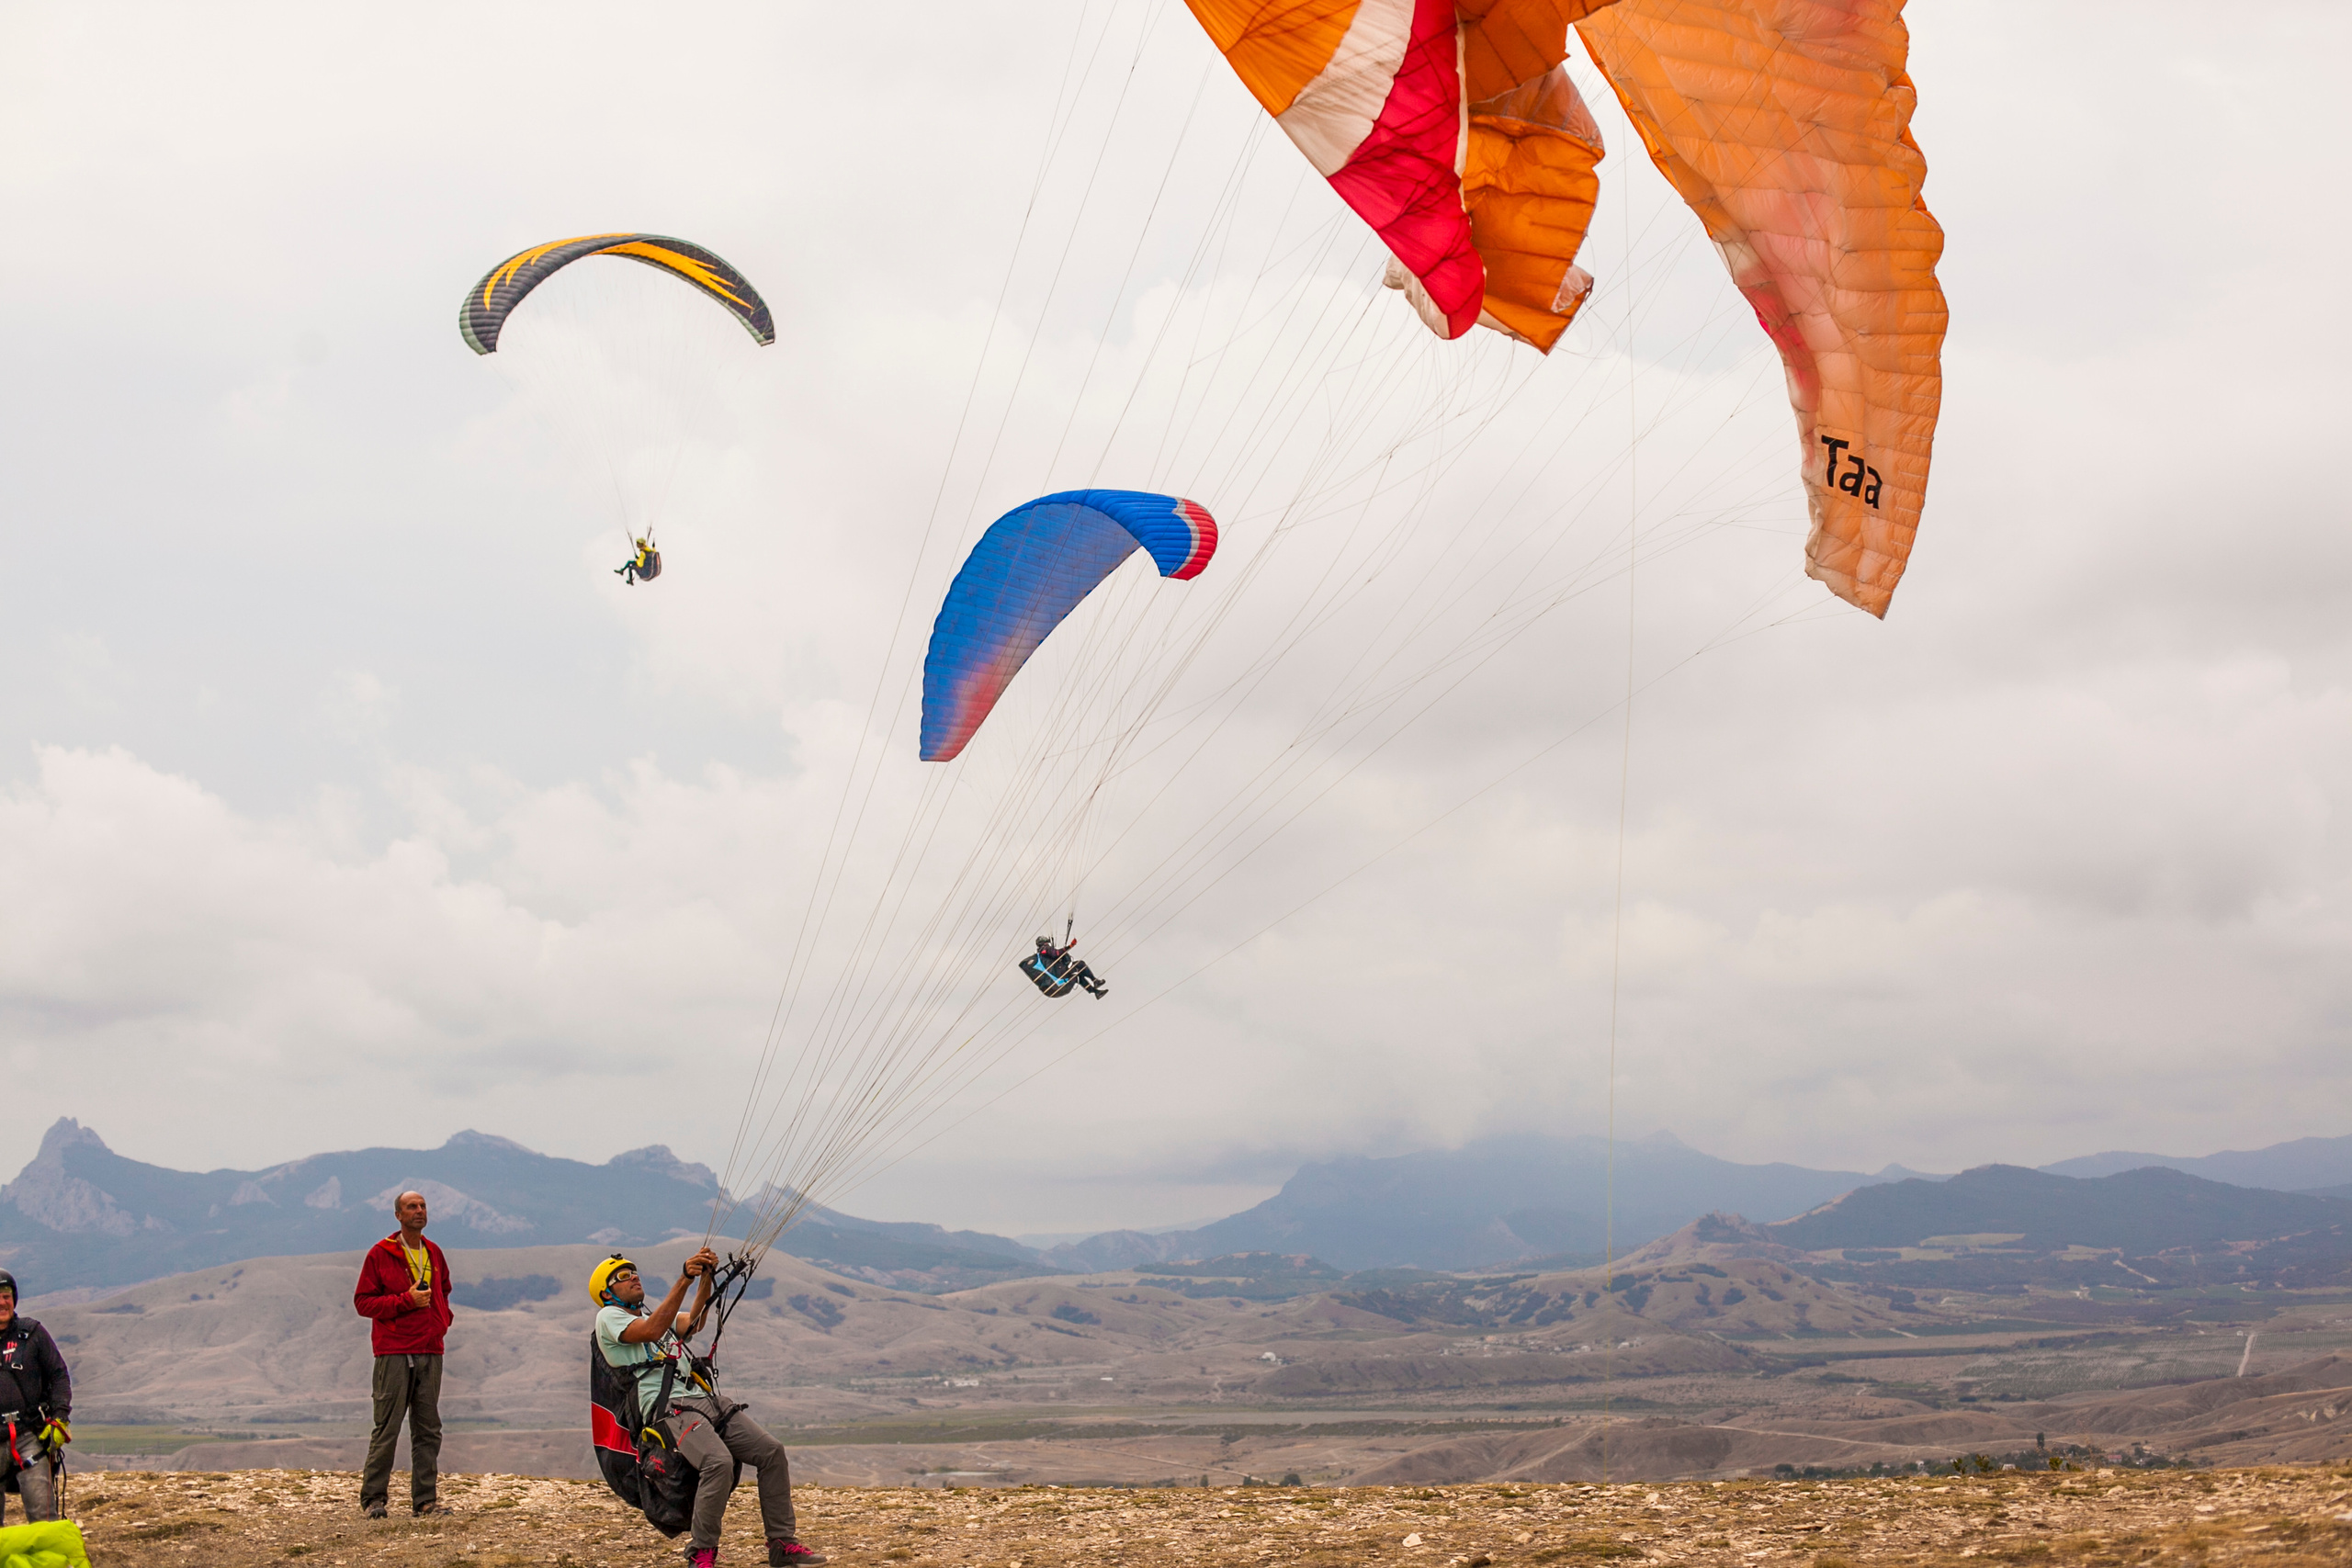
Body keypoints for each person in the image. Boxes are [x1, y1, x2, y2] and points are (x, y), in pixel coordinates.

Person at [592, 1250, 825, 1567]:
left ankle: (782, 1544)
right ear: (606, 1293)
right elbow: (651, 1332)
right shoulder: (608, 1317)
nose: (633, 1276)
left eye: (634, 1272)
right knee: (718, 1462)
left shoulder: (655, 1316)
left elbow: (695, 1321)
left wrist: (705, 1277)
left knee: (771, 1452)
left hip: (704, 1400)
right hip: (669, 1408)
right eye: (621, 1276)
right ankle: (701, 1552)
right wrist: (684, 1278)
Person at [353, 1190, 453, 1519]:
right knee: (388, 1426)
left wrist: (442, 1321)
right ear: (398, 1215)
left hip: (429, 1349)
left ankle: (425, 1501)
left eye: (423, 1206)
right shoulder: (380, 1254)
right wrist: (404, 1302)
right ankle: (374, 1500)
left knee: (428, 1428)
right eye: (412, 1207)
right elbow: (363, 1303)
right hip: (394, 1351)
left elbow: (445, 1291)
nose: (419, 1211)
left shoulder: (434, 1253)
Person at [0, 1269, 70, 1525]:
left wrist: (60, 1418)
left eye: (6, 1296)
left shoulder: (32, 1333)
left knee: (43, 1518)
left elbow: (59, 1375)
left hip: (30, 1436)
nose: (1, 1302)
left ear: (14, 1299)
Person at [1034, 934, 1107, 998]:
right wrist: (1070, 946)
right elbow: (1056, 953)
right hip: (1061, 971)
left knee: (1079, 977)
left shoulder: (1040, 953)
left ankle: (1096, 992)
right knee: (1081, 964)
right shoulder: (1046, 948)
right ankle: (1095, 981)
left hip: (1058, 974)